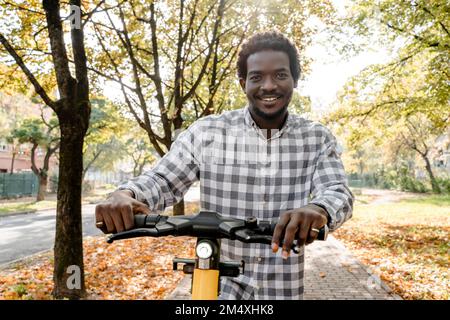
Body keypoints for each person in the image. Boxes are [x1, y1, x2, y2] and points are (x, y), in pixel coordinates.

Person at [95, 31, 354, 300]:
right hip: (217, 285)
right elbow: (162, 179)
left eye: (280, 75)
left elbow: (337, 191)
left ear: (294, 80)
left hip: (283, 289)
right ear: (243, 83)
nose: (268, 85)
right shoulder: (207, 133)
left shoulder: (316, 138)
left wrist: (319, 209)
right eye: (256, 77)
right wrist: (126, 195)